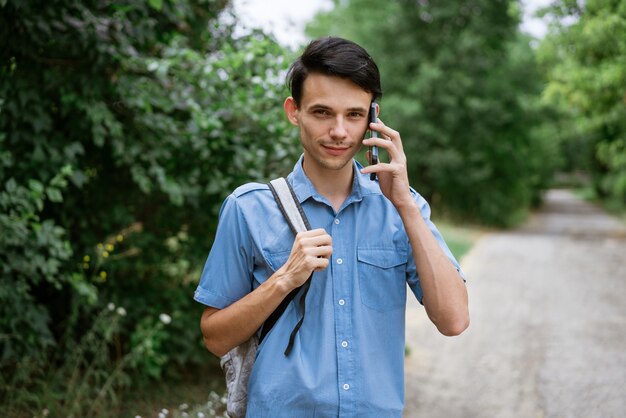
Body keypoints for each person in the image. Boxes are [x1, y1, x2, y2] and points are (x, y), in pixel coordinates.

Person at [194, 36, 469, 417]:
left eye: (354, 115)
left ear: (373, 117)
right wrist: (284, 279)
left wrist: (405, 205)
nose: (339, 131)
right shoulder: (248, 208)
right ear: (294, 111)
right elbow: (214, 336)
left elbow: (454, 320)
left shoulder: (402, 208)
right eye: (322, 112)